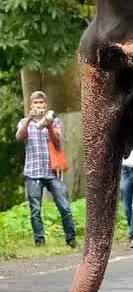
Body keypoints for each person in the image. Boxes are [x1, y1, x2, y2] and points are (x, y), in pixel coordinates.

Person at [16, 91, 76, 249]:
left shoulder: (54, 121)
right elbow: (19, 137)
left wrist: (49, 126)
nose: (39, 106)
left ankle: (71, 239)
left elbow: (57, 142)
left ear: (46, 105)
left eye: (41, 103)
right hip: (33, 172)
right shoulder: (24, 121)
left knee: (65, 207)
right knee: (35, 210)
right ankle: (40, 242)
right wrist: (29, 119)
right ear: (31, 105)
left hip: (53, 171)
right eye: (36, 103)